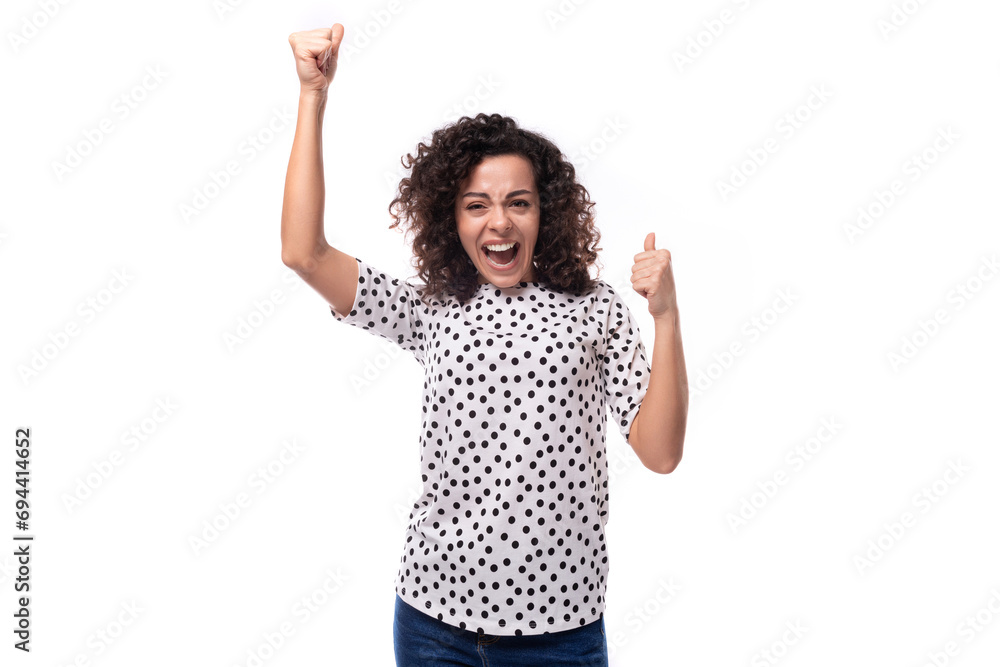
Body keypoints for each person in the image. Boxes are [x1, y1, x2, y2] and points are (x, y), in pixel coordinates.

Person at [281, 23, 689, 667]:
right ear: (452, 216)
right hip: (433, 623)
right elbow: (304, 253)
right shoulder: (430, 308)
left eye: (518, 203)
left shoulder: (596, 310)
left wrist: (665, 317)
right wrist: (313, 98)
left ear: (544, 213)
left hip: (560, 632)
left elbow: (661, 452)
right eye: (477, 205)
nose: (499, 222)